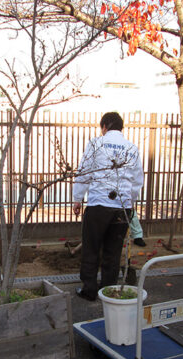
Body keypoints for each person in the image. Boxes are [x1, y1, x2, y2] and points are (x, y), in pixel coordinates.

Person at [72, 112, 144, 301]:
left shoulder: (96, 144)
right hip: (122, 207)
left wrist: (77, 198)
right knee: (113, 251)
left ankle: (89, 290)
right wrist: (130, 202)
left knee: (91, 248)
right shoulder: (132, 148)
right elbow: (137, 180)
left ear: (104, 126)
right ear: (121, 127)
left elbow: (84, 171)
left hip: (98, 205)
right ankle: (108, 292)